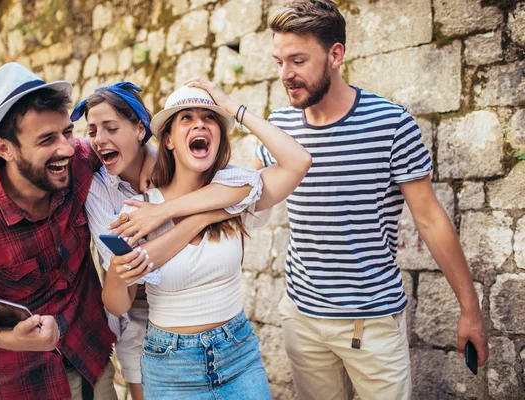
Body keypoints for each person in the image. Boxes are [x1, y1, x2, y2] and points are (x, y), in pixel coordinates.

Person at [251, 1, 489, 399]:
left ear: (336, 54)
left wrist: (470, 308)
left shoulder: (391, 123)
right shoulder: (279, 125)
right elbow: (248, 197)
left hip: (372, 323)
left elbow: (429, 218)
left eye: (297, 60)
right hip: (302, 318)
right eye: (279, 61)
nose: (286, 75)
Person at [0, 63, 148, 399]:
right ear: (5, 148)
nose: (67, 149)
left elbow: (133, 147)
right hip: (18, 384)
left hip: (93, 366)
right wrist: (9, 338)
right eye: (47, 140)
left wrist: (156, 173)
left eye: (67, 132)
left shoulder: (79, 163)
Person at [105, 81, 311, 399]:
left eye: (209, 117)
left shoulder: (234, 188)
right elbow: (118, 304)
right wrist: (119, 275)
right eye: (186, 117)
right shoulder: (140, 209)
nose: (200, 123)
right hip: (171, 366)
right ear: (169, 141)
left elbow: (298, 161)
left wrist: (233, 108)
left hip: (238, 354)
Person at [71, 82, 265, 400]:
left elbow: (242, 184)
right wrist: (203, 217)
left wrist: (164, 211)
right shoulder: (100, 189)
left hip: (204, 311)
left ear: (140, 129)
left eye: (110, 127)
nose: (99, 140)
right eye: (92, 131)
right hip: (139, 313)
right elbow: (122, 272)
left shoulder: (176, 158)